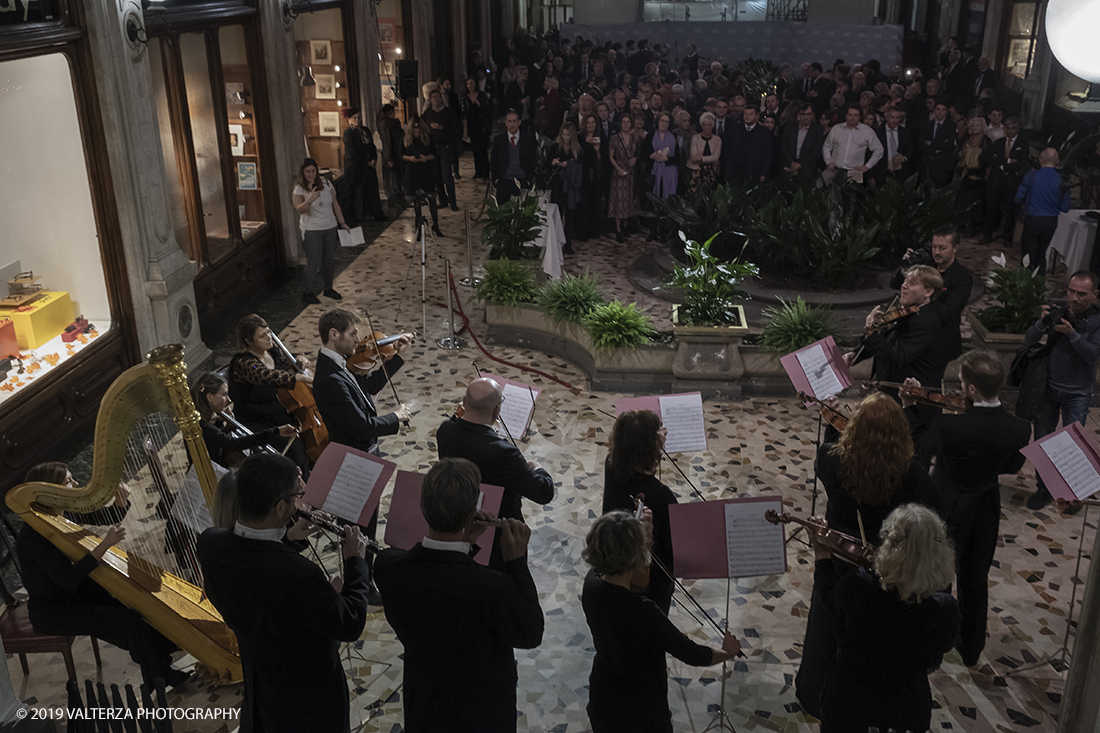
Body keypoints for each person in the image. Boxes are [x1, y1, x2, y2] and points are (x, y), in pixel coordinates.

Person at [795, 393, 947, 718]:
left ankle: (813, 692)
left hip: (839, 555)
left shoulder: (830, 459)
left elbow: (828, 461)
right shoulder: (911, 473)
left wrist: (834, 427)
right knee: (873, 626)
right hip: (888, 561)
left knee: (829, 616)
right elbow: (937, 507)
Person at [197, 453, 372, 733]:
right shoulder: (298, 574)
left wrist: (287, 538)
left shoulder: (210, 543)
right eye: (297, 495)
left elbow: (255, 575)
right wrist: (356, 563)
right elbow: (350, 622)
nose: (300, 501)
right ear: (279, 507)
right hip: (311, 698)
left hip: (264, 683)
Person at [373, 458, 544, 733]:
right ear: (471, 514)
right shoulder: (491, 587)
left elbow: (440, 585)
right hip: (482, 711)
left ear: (422, 508)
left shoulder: (387, 566)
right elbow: (531, 632)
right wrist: (516, 561)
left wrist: (465, 542)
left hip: (425, 704)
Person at [900, 351, 1031, 667]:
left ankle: (934, 642)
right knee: (975, 578)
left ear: (971, 389)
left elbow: (921, 449)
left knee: (939, 574)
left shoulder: (949, 427)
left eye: (961, 385)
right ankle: (971, 648)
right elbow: (1012, 466)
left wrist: (910, 406)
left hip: (949, 504)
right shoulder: (1020, 428)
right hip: (986, 505)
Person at [16, 463, 187, 689]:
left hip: (77, 593)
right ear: (51, 493)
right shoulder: (32, 536)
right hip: (55, 610)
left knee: (132, 602)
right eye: (69, 481)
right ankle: (159, 674)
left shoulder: (57, 512)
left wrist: (120, 502)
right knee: (129, 622)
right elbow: (67, 578)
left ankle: (161, 655)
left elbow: (103, 517)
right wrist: (103, 546)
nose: (76, 484)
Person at [581, 511, 742, 733]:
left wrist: (639, 538)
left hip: (604, 695)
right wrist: (727, 653)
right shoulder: (644, 613)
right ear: (635, 557)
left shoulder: (590, 585)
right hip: (642, 708)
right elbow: (691, 653)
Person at [813, 504, 960, 732]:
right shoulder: (944, 610)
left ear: (890, 544)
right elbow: (934, 658)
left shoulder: (860, 584)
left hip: (848, 703)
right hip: (904, 710)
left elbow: (832, 604)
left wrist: (822, 556)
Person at [436, 377, 555, 569]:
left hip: (458, 517)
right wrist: (538, 469)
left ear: (464, 402)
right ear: (497, 410)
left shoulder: (445, 431)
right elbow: (543, 492)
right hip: (496, 532)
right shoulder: (503, 453)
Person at [1024, 271, 1100, 509]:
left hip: (1077, 392)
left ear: (1095, 295)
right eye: (1071, 291)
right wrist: (1042, 322)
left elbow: (1092, 355)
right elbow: (1029, 338)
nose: (1074, 298)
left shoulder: (1098, 321)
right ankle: (1043, 489)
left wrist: (1073, 334)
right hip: (1048, 387)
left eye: (1081, 293)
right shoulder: (1059, 310)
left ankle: (1068, 492)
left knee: (1071, 446)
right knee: (1043, 440)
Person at [602, 410, 676, 614]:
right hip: (650, 584)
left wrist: (653, 443)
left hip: (614, 568)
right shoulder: (663, 497)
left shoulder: (611, 466)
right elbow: (672, 554)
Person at [889, 226, 975, 386]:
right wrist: (905, 266)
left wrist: (924, 297)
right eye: (934, 247)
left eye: (942, 248)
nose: (937, 252)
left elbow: (949, 312)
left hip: (938, 347)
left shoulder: (962, 277)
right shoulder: (926, 265)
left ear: (955, 248)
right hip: (912, 339)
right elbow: (895, 284)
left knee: (927, 391)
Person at [228, 313, 311, 474]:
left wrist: (298, 358)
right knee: (295, 447)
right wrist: (296, 378)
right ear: (248, 341)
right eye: (262, 336)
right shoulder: (244, 363)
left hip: (279, 412)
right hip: (258, 420)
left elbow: (284, 363)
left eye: (268, 332)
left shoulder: (273, 351)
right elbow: (265, 375)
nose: (268, 338)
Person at [848, 265, 945, 390]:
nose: (904, 286)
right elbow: (885, 338)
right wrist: (856, 353)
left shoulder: (924, 323)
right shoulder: (911, 312)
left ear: (928, 292)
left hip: (908, 399)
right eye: (905, 281)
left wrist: (869, 330)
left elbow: (894, 358)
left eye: (912, 283)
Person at [190, 371, 297, 469]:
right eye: (224, 395)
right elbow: (234, 443)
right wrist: (275, 431)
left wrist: (226, 426)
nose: (228, 400)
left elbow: (216, 440)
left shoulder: (207, 421)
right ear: (210, 397)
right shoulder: (202, 425)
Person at [292, 158, 351, 305]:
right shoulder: (299, 188)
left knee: (329, 260)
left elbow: (335, 204)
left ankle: (328, 288)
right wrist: (310, 199)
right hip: (312, 229)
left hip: (330, 226)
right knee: (314, 262)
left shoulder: (327, 183)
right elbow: (300, 209)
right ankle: (307, 291)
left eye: (313, 171)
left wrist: (342, 223)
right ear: (303, 173)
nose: (311, 174)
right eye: (307, 172)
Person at [1016, 147, 1072, 276]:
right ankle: (1039, 286)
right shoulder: (1063, 181)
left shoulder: (1031, 176)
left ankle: (1024, 287)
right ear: (1057, 161)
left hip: (1032, 220)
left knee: (1027, 255)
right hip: (1050, 222)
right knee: (1041, 255)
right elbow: (1065, 208)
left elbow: (1018, 198)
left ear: (1040, 160)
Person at [341, 107, 387, 226]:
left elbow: (371, 146)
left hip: (368, 165)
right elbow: (352, 151)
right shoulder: (348, 133)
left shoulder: (365, 130)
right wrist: (366, 161)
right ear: (349, 119)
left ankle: (377, 213)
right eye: (354, 118)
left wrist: (373, 159)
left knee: (372, 189)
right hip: (356, 167)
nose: (357, 120)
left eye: (359, 118)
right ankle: (359, 216)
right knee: (358, 193)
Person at [984, 117, 1028, 243]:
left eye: (1013, 128)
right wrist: (1008, 161)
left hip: (1011, 180)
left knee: (1010, 209)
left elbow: (1021, 162)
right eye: (1007, 128)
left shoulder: (1023, 143)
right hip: (996, 179)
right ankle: (987, 234)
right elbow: (992, 160)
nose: (1010, 131)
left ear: (1017, 129)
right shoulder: (998, 142)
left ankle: (1007, 237)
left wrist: (1001, 162)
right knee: (991, 207)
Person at [421, 88, 460, 211]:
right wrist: (429, 127)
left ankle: (453, 201)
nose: (436, 99)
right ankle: (442, 200)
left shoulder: (448, 112)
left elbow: (456, 128)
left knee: (446, 175)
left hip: (445, 147)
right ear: (430, 100)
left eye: (438, 97)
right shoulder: (427, 113)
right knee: (436, 175)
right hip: (433, 148)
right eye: (434, 98)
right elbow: (421, 127)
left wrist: (441, 127)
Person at [822, 104, 883, 183]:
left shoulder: (867, 131)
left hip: (854, 172)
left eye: (855, 115)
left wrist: (867, 166)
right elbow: (826, 146)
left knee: (852, 195)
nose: (852, 117)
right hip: (834, 170)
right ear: (846, 115)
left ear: (859, 117)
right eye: (850, 115)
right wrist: (828, 162)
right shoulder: (836, 128)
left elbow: (879, 150)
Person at [403, 118, 443, 237]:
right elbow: (401, 155)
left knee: (432, 199)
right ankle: (418, 228)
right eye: (414, 131)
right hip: (413, 172)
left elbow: (434, 154)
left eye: (418, 131)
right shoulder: (406, 139)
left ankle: (435, 225)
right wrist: (411, 158)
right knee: (417, 202)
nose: (417, 133)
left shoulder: (428, 138)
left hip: (426, 171)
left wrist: (425, 158)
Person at [548, 121, 583, 254]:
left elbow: (581, 168)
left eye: (567, 135)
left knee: (570, 216)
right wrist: (553, 163)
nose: (565, 137)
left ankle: (568, 244)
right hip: (558, 184)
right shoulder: (555, 147)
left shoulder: (577, 150)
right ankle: (556, 244)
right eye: (563, 134)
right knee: (557, 214)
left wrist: (568, 164)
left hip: (571, 187)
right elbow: (547, 166)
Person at [955, 116, 993, 232]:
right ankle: (961, 224)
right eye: (973, 125)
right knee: (962, 200)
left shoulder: (986, 140)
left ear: (983, 127)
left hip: (978, 176)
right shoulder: (966, 139)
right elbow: (958, 154)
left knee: (976, 203)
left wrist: (973, 165)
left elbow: (986, 158)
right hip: (965, 175)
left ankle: (973, 227)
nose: (975, 127)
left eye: (978, 125)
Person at [490, 110, 536, 203]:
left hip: (522, 180)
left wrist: (528, 180)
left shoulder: (528, 140)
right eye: (509, 121)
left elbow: (532, 161)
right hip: (504, 180)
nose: (512, 124)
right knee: (502, 213)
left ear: (519, 122)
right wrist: (496, 180)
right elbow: (493, 161)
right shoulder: (499, 140)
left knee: (523, 213)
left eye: (514, 121)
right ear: (506, 123)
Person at [646, 111, 678, 241]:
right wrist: (653, 156)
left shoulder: (673, 137)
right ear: (657, 122)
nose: (664, 123)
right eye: (662, 121)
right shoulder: (650, 136)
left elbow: (678, 159)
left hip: (668, 175)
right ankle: (652, 232)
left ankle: (664, 233)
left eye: (666, 121)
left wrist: (667, 159)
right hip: (654, 175)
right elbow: (644, 155)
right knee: (653, 204)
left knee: (666, 205)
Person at [608, 113, 639, 242]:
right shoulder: (615, 138)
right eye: (623, 122)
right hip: (619, 172)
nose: (626, 124)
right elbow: (611, 156)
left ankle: (626, 225)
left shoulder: (635, 138)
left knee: (628, 200)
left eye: (628, 122)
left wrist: (635, 159)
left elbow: (638, 154)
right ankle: (618, 229)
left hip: (630, 173)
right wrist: (618, 169)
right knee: (618, 201)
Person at [725, 106, 773, 184]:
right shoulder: (735, 129)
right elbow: (729, 149)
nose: (747, 116)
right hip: (735, 171)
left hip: (754, 172)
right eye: (745, 114)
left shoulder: (764, 133)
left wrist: (764, 173)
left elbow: (767, 154)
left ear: (757, 116)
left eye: (750, 114)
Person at [779, 103, 824, 182]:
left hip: (807, 168)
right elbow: (783, 146)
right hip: (789, 165)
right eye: (803, 114)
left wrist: (800, 164)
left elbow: (816, 151)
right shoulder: (791, 127)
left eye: (808, 114)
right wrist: (791, 162)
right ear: (799, 114)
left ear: (812, 115)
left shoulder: (818, 130)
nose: (805, 117)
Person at [577, 114, 604, 242]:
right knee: (583, 204)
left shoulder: (598, 138)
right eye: (588, 122)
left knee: (594, 203)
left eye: (593, 122)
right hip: (583, 175)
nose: (591, 125)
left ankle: (593, 231)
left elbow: (599, 159)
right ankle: (582, 233)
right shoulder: (580, 138)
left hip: (595, 175)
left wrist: (597, 150)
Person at [871, 105, 913, 184]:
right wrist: (871, 176)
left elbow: (910, 149)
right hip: (882, 172)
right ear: (887, 117)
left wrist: (904, 158)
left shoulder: (904, 132)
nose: (895, 120)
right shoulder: (878, 133)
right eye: (892, 117)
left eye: (897, 117)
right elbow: (871, 154)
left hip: (900, 173)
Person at [920, 101, 958, 188]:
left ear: (946, 111)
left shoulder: (952, 126)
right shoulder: (926, 126)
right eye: (938, 109)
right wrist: (936, 150)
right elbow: (921, 144)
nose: (940, 112)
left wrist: (930, 143)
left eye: (943, 109)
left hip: (943, 166)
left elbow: (948, 145)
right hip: (927, 164)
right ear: (934, 110)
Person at [461, 77, 493, 180]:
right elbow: (464, 114)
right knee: (475, 150)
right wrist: (465, 129)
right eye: (468, 84)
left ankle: (485, 172)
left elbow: (487, 110)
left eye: (471, 83)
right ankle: (478, 171)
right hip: (472, 126)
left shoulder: (481, 95)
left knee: (483, 150)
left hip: (482, 125)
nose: (470, 86)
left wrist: (480, 105)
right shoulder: (465, 98)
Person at [378, 104, 406, 210]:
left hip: (398, 151)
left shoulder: (395, 123)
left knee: (399, 176)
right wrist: (388, 158)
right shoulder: (384, 124)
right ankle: (398, 198)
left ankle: (401, 196)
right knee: (395, 177)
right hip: (392, 152)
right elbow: (385, 140)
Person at [687, 112, 721, 197]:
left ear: (712, 126)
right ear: (701, 125)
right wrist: (709, 159)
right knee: (694, 195)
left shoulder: (717, 140)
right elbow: (693, 157)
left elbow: (716, 157)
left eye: (709, 125)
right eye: (704, 125)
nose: (707, 127)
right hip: (695, 171)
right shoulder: (695, 138)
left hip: (711, 172)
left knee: (710, 195)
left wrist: (701, 159)